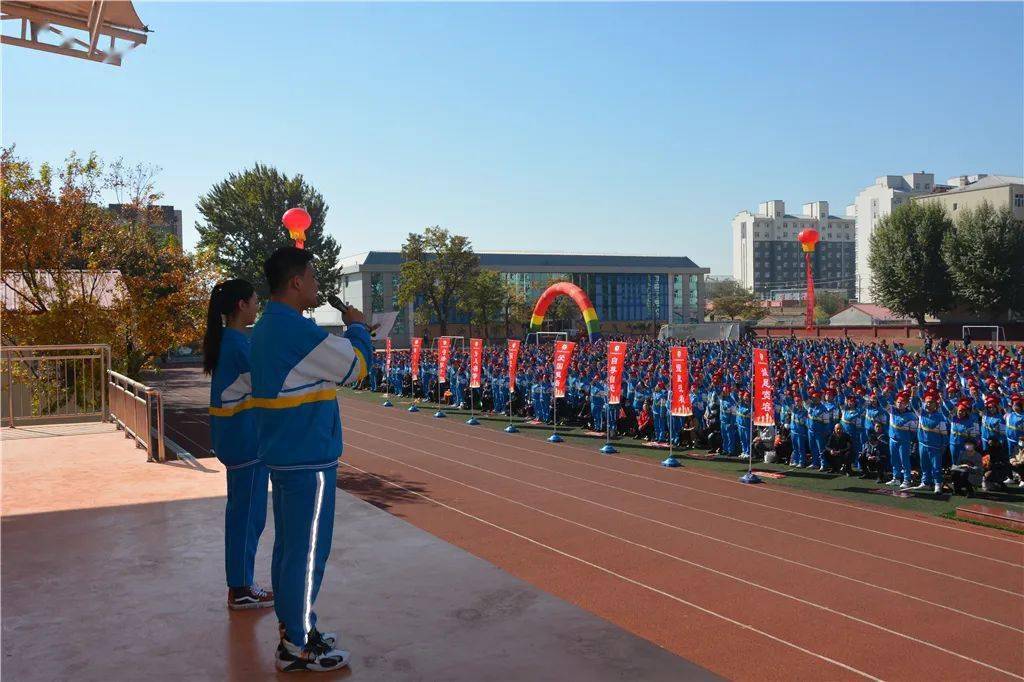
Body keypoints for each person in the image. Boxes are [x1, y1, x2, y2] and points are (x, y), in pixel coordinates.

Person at [250, 247, 373, 672]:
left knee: (290, 548)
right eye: (314, 277)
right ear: (297, 281)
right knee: (306, 552)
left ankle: (297, 627)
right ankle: (297, 646)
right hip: (307, 454)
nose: (319, 285)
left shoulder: (268, 326)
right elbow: (356, 368)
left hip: (285, 453)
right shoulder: (293, 331)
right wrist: (357, 329)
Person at [204, 279, 274, 611]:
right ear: (241, 306)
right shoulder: (237, 345)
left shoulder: (231, 341)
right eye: (255, 301)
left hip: (237, 439)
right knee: (248, 516)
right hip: (244, 442)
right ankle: (241, 588)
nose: (258, 306)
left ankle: (241, 584)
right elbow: (271, 378)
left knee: (243, 514)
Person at [916, 391, 948, 494]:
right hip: (922, 445)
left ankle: (937, 484)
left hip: (935, 447)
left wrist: (943, 445)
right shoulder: (921, 413)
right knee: (924, 465)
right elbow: (913, 404)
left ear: (936, 404)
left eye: (931, 402)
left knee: (936, 467)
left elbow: (944, 434)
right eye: (927, 402)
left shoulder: (940, 417)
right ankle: (926, 482)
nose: (928, 404)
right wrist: (913, 393)